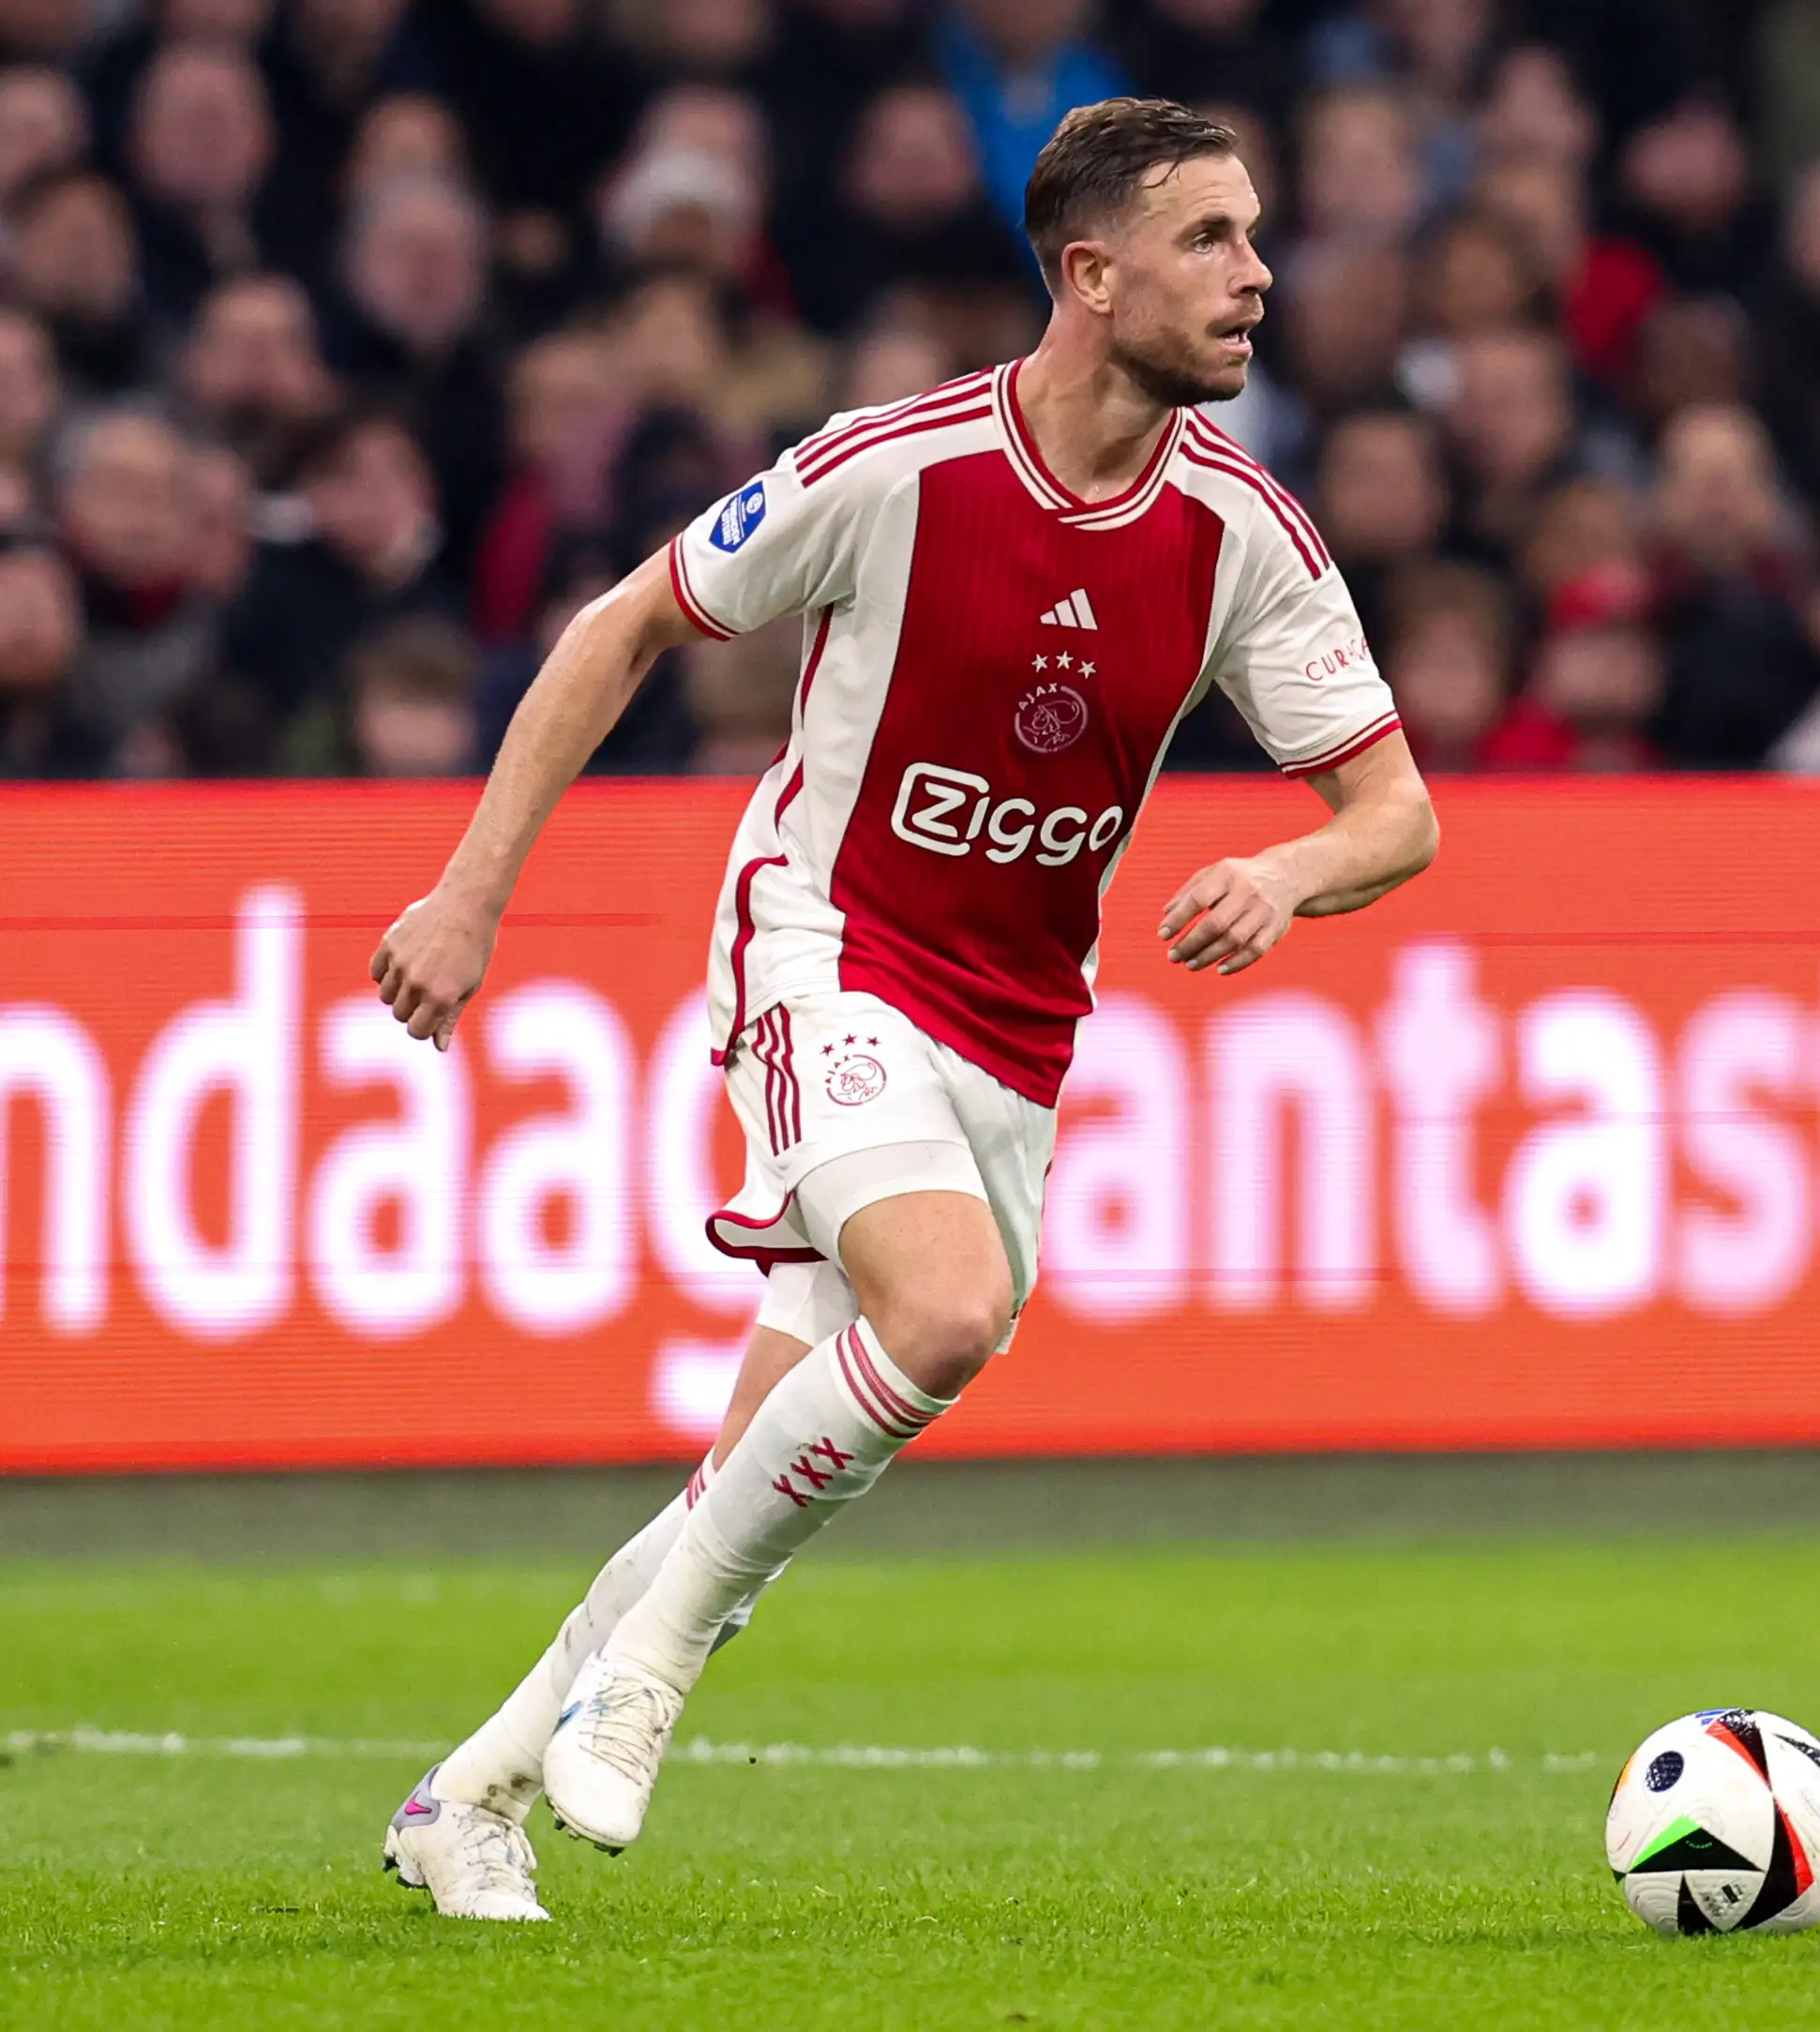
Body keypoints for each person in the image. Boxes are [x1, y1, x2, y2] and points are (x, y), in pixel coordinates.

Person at [369, 98, 1435, 1922]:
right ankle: (652, 1682)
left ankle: (465, 1797)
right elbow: (620, 623)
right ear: (1088, 276)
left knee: (761, 1452)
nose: (1260, 275)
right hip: (825, 945)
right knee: (938, 1312)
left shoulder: (1240, 532)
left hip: (1018, 1032)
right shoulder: (898, 466)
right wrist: (469, 892)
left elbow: (1394, 811)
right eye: (1210, 240)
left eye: (1256, 235)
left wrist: (1282, 874)